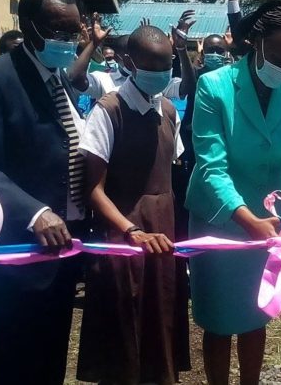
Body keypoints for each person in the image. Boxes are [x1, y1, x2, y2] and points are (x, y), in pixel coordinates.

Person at [0, 0, 88, 385]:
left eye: (73, 33)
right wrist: (36, 212)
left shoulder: (57, 78)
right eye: (58, 32)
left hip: (65, 246)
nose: (67, 42)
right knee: (20, 358)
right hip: (22, 248)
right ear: (28, 27)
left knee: (51, 357)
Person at [186, 1, 281, 384]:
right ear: (255, 43)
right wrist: (245, 218)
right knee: (217, 319)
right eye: (278, 56)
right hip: (221, 215)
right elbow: (212, 165)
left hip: (269, 219)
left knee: (255, 311)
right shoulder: (214, 86)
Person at [77, 25, 185, 384]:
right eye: (151, 65)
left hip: (163, 229)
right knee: (124, 329)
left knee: (161, 319)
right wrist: (131, 230)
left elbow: (167, 170)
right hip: (123, 234)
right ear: (127, 63)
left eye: (166, 64)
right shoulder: (109, 111)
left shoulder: (168, 110)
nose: (160, 73)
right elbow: (92, 189)